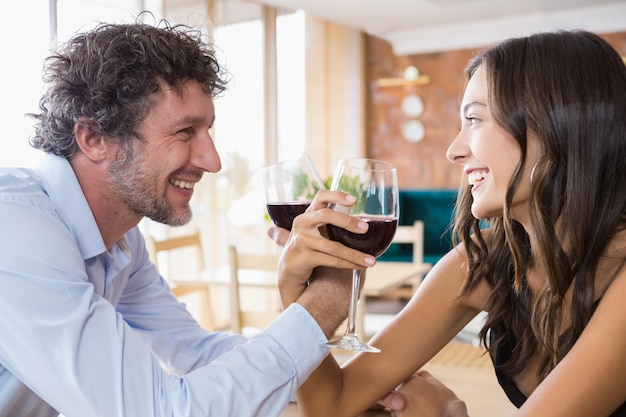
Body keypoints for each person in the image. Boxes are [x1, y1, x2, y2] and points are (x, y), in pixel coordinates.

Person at [0, 19, 376, 417]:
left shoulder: (122, 241)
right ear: (94, 139)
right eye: (184, 132)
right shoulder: (17, 232)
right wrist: (323, 304)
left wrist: (357, 381)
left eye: (207, 130)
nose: (212, 161)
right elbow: (162, 410)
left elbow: (194, 350)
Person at [271, 29, 626, 416]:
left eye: (474, 119)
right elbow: (329, 406)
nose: (454, 150)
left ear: (561, 123)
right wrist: (299, 295)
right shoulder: (484, 261)